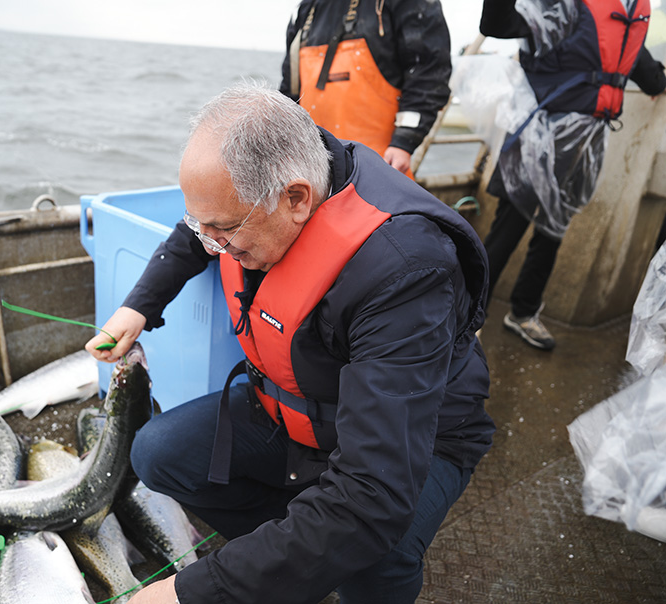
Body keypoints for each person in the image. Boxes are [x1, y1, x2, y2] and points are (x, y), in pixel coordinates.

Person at [86, 82, 495, 604]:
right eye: (206, 229)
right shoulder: (264, 185)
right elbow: (198, 230)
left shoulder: (407, 269)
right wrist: (139, 306)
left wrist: (192, 594)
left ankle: (326, 555)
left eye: (225, 235)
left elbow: (375, 494)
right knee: (158, 452)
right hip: (293, 409)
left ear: (297, 198)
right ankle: (301, 552)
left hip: (417, 434)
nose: (213, 247)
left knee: (373, 551)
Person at [479, 0, 666, 350]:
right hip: (539, 134)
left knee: (553, 231)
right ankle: (466, 315)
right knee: (508, 227)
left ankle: (523, 311)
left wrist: (658, 82)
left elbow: (639, 65)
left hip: (585, 142)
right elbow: (500, 25)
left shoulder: (632, 11)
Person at [279, 0, 453, 176]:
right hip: (314, 171)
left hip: (381, 166)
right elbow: (289, 91)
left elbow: (428, 73)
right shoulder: (307, 8)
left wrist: (404, 141)